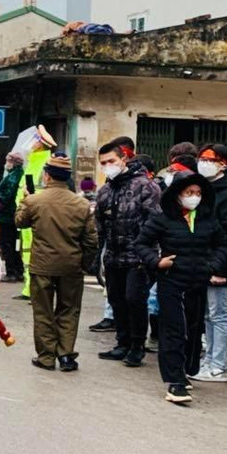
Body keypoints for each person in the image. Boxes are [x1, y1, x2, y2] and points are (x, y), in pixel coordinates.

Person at [135, 172, 227, 405]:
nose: (194, 197)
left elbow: (222, 245)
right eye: (189, 193)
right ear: (177, 195)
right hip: (171, 281)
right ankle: (174, 381)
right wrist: (157, 262)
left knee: (194, 329)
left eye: (198, 193)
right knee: (173, 330)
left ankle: (186, 370)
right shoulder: (163, 218)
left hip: (198, 281)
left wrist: (212, 266)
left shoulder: (208, 218)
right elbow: (141, 243)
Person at [16, 153, 98, 373]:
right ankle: (65, 355)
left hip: (42, 265)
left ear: (48, 175)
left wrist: (25, 200)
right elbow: (91, 240)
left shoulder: (35, 200)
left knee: (43, 311)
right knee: (69, 310)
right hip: (71, 265)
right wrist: (84, 263)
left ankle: (46, 357)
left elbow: (20, 222)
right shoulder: (81, 204)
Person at [95, 138, 162, 367]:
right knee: (116, 300)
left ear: (124, 158)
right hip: (113, 256)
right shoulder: (105, 190)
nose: (107, 166)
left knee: (135, 300)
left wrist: (148, 253)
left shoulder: (146, 186)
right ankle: (122, 343)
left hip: (138, 257)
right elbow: (100, 226)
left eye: (111, 161)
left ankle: (136, 346)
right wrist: (98, 257)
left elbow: (155, 222)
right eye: (103, 163)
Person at [191, 145, 227, 383]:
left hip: (219, 265)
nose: (203, 163)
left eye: (209, 159)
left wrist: (220, 268)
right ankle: (209, 359)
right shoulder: (204, 188)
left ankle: (219, 365)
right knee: (206, 315)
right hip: (201, 262)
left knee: (218, 314)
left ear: (223, 163)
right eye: (201, 158)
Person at [14, 127, 57, 299]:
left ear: (41, 144)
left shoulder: (45, 164)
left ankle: (38, 291)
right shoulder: (33, 161)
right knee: (26, 253)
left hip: (37, 215)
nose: (30, 143)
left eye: (34, 140)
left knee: (37, 254)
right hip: (26, 214)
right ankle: (28, 289)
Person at [0, 151, 25, 283]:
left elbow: (6, 195)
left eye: (8, 161)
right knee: (15, 244)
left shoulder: (13, 176)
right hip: (14, 214)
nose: (6, 164)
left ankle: (11, 272)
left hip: (8, 215)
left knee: (7, 244)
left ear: (13, 163)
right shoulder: (18, 174)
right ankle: (18, 271)